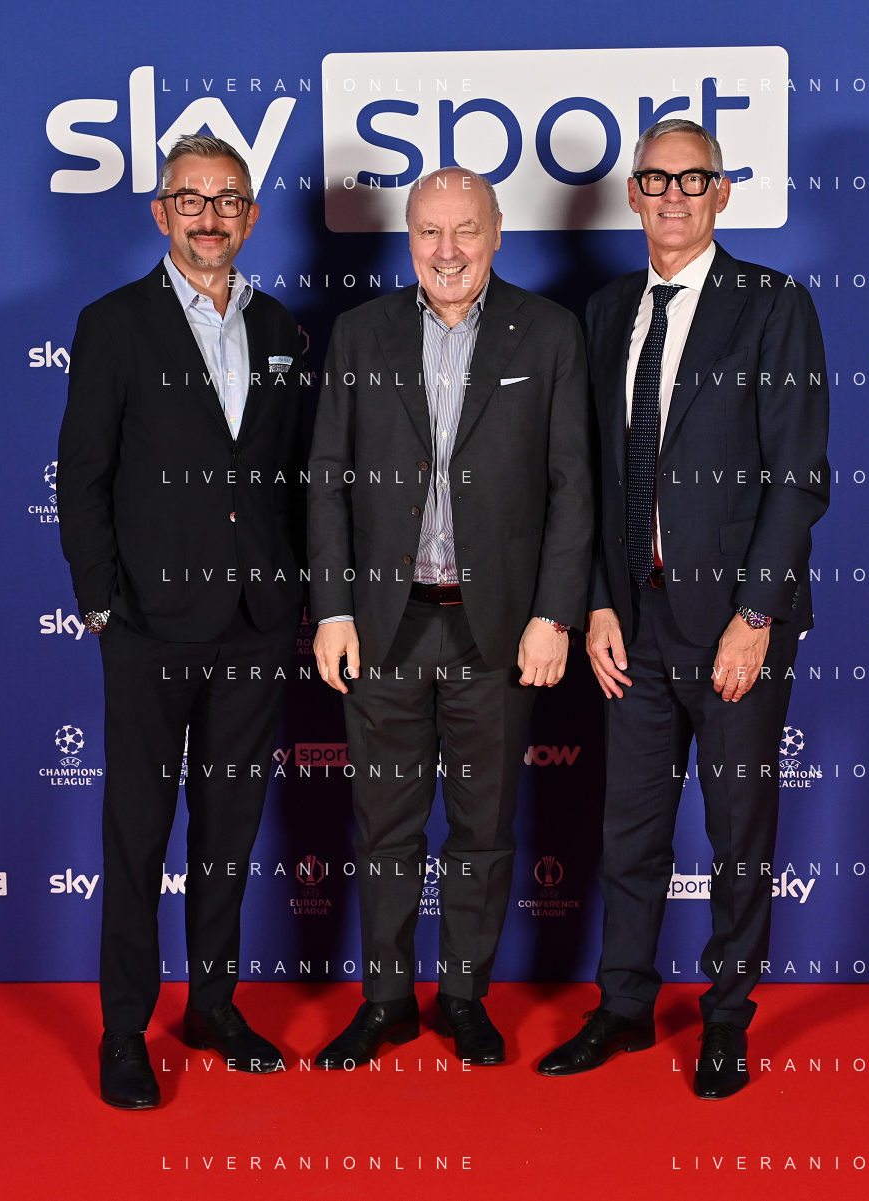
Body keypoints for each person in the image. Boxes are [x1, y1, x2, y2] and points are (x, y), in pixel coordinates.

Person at [538, 119, 829, 1098]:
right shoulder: (606, 310)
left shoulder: (772, 304)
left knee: (738, 833)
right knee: (628, 831)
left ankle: (726, 1016)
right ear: (631, 193)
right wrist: (595, 605)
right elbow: (586, 476)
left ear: (721, 192)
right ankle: (622, 1001)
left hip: (735, 625)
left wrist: (756, 615)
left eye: (691, 179)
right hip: (635, 620)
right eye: (655, 179)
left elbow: (797, 476)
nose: (672, 195)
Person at [307, 166, 592, 1069]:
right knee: (383, 828)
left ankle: (464, 995)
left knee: (482, 828)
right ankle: (386, 1001)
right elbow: (326, 481)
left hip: (496, 629)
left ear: (497, 232)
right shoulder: (360, 333)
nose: (447, 250)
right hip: (384, 626)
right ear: (408, 240)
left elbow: (571, 486)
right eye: (429, 231)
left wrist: (554, 615)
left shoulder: (549, 332)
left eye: (465, 229)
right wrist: (333, 608)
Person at [57, 134, 305, 1108]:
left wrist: (294, 593)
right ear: (162, 213)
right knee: (137, 832)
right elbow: (83, 475)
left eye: (227, 199)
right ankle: (124, 1028)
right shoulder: (114, 323)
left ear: (250, 215)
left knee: (228, 828)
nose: (210, 216)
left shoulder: (279, 327)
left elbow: (285, 478)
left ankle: (211, 1004)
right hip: (150, 624)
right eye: (191, 200)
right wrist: (100, 602)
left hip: (255, 621)